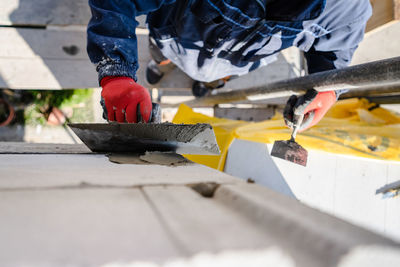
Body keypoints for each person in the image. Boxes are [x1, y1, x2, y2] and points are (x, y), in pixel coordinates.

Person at [87, 0, 371, 130]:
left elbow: (339, 42)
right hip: (173, 36)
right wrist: (117, 73)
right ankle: (161, 64)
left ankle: (212, 82)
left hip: (241, 60)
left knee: (219, 75)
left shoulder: (343, 6)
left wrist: (329, 89)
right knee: (160, 51)